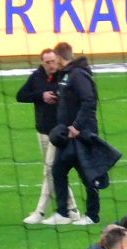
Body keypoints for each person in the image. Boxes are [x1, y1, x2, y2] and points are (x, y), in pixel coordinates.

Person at [43, 42, 105, 226]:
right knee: (58, 170)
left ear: (61, 57)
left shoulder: (77, 75)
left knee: (87, 174)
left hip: (81, 134)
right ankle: (63, 213)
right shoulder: (67, 74)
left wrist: (77, 126)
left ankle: (92, 216)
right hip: (66, 135)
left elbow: (89, 101)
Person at [17, 48, 79, 224]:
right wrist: (40, 96)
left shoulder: (64, 76)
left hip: (59, 132)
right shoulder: (37, 77)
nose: (52, 65)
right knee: (54, 172)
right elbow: (20, 95)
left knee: (50, 170)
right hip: (42, 131)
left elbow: (72, 97)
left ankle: (40, 211)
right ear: (42, 62)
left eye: (54, 61)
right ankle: (72, 209)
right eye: (48, 62)